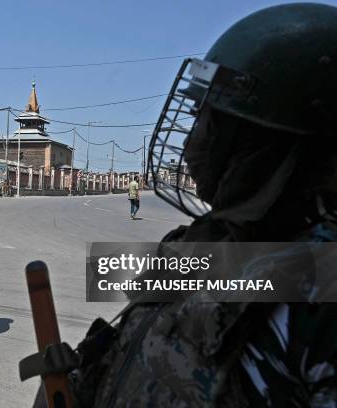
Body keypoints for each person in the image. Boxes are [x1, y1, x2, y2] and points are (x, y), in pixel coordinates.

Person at [67, 4, 337, 407]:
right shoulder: (199, 243)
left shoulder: (322, 290)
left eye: (212, 123)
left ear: (266, 142)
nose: (193, 147)